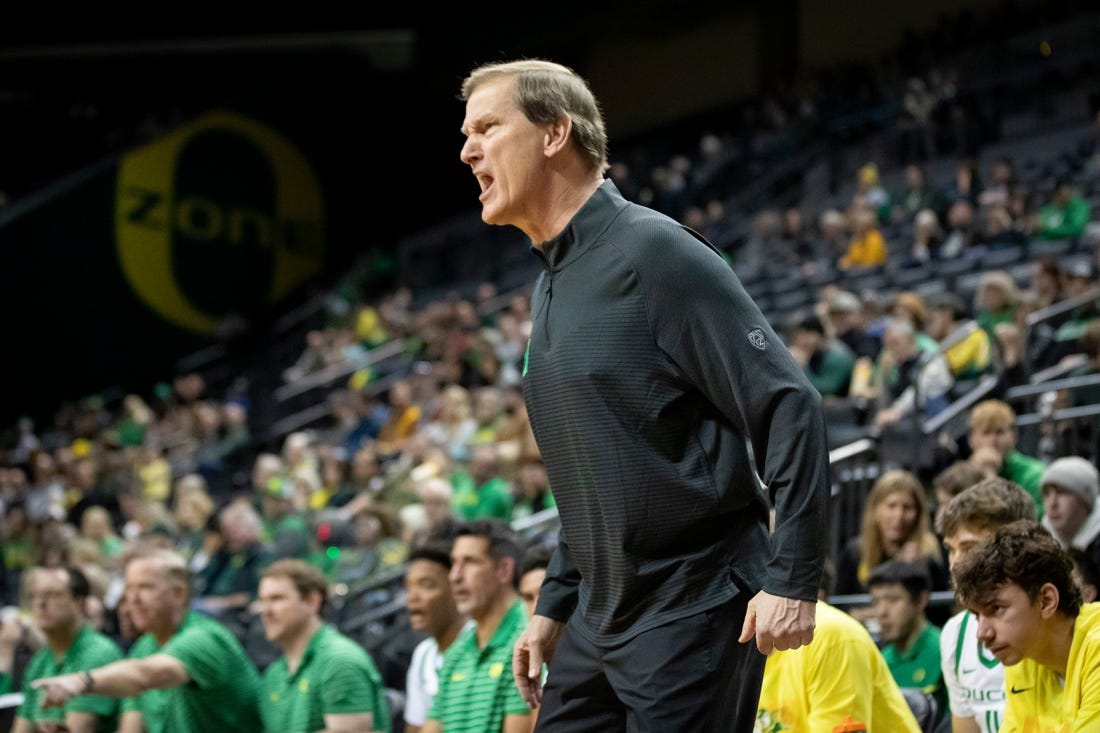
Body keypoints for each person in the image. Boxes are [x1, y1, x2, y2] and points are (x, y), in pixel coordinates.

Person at [457, 58, 830, 732]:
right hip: (600, 614)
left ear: (553, 134)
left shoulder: (653, 252)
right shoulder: (549, 283)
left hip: (692, 600)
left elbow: (789, 402)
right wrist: (554, 604)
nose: (466, 149)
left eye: (486, 127)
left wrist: (794, 576)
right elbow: (594, 475)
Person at [30, 546, 262, 732]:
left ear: (179, 593)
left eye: (145, 587)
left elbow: (146, 675)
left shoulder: (204, 638)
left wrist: (80, 682)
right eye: (129, 589)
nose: (133, 599)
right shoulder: (143, 648)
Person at [952, 520, 1100, 732]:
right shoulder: (1024, 655)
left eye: (996, 608)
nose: (982, 633)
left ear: (1046, 600)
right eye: (977, 615)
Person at [935, 476, 1036, 733]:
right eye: (950, 549)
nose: (955, 564)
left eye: (969, 547)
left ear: (1016, 545)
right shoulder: (954, 635)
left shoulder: (1049, 624)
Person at [257, 558, 391, 733]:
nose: (265, 611)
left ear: (312, 602)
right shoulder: (274, 674)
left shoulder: (339, 661)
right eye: (262, 600)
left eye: (277, 599)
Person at [423, 520, 532, 733]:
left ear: (504, 569)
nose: (455, 576)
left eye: (470, 562)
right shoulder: (456, 652)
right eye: (453, 563)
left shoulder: (527, 642)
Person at [13, 566, 122, 733]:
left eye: (53, 595)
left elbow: (79, 728)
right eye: (34, 596)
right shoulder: (39, 662)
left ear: (79, 603)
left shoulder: (97, 653)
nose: (40, 603)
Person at [867, 560, 947, 724]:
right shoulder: (879, 661)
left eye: (892, 599)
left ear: (921, 601)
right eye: (876, 602)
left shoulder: (945, 651)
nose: (882, 612)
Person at [403, 541, 469, 733]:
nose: (412, 597)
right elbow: (415, 726)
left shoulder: (481, 642)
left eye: (426, 585)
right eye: (408, 587)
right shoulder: (423, 654)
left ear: (455, 587)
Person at [965, 399, 1046, 517]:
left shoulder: (1035, 474)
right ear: (971, 439)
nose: (993, 440)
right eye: (986, 432)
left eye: (999, 432)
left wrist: (990, 474)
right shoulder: (963, 474)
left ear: (1014, 435)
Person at [1039, 455, 1100, 570]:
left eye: (1062, 493)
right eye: (1047, 494)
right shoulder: (1040, 542)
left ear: (1085, 502)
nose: (1052, 503)